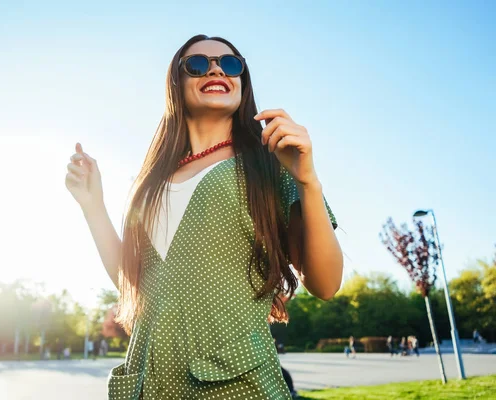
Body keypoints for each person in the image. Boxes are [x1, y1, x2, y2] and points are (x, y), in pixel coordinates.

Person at [65, 34, 342, 399]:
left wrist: (308, 181)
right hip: (150, 385)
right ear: (175, 85)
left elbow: (326, 284)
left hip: (237, 385)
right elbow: (136, 283)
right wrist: (92, 205)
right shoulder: (151, 182)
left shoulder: (270, 164)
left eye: (230, 64)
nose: (215, 69)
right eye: (197, 64)